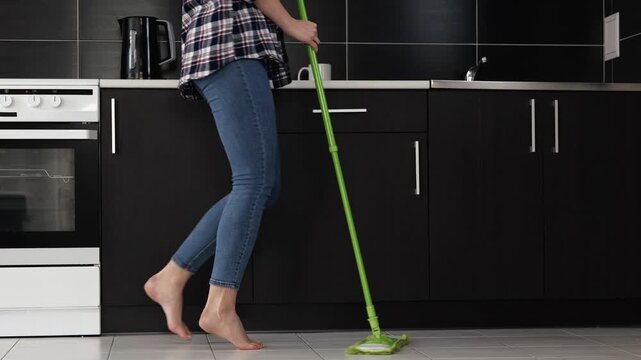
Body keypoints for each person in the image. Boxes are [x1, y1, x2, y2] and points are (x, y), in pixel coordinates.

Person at [143, 0, 319, 350]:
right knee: (254, 181)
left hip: (220, 45)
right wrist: (291, 23)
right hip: (231, 42)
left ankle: (171, 278)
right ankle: (220, 305)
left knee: (263, 186)